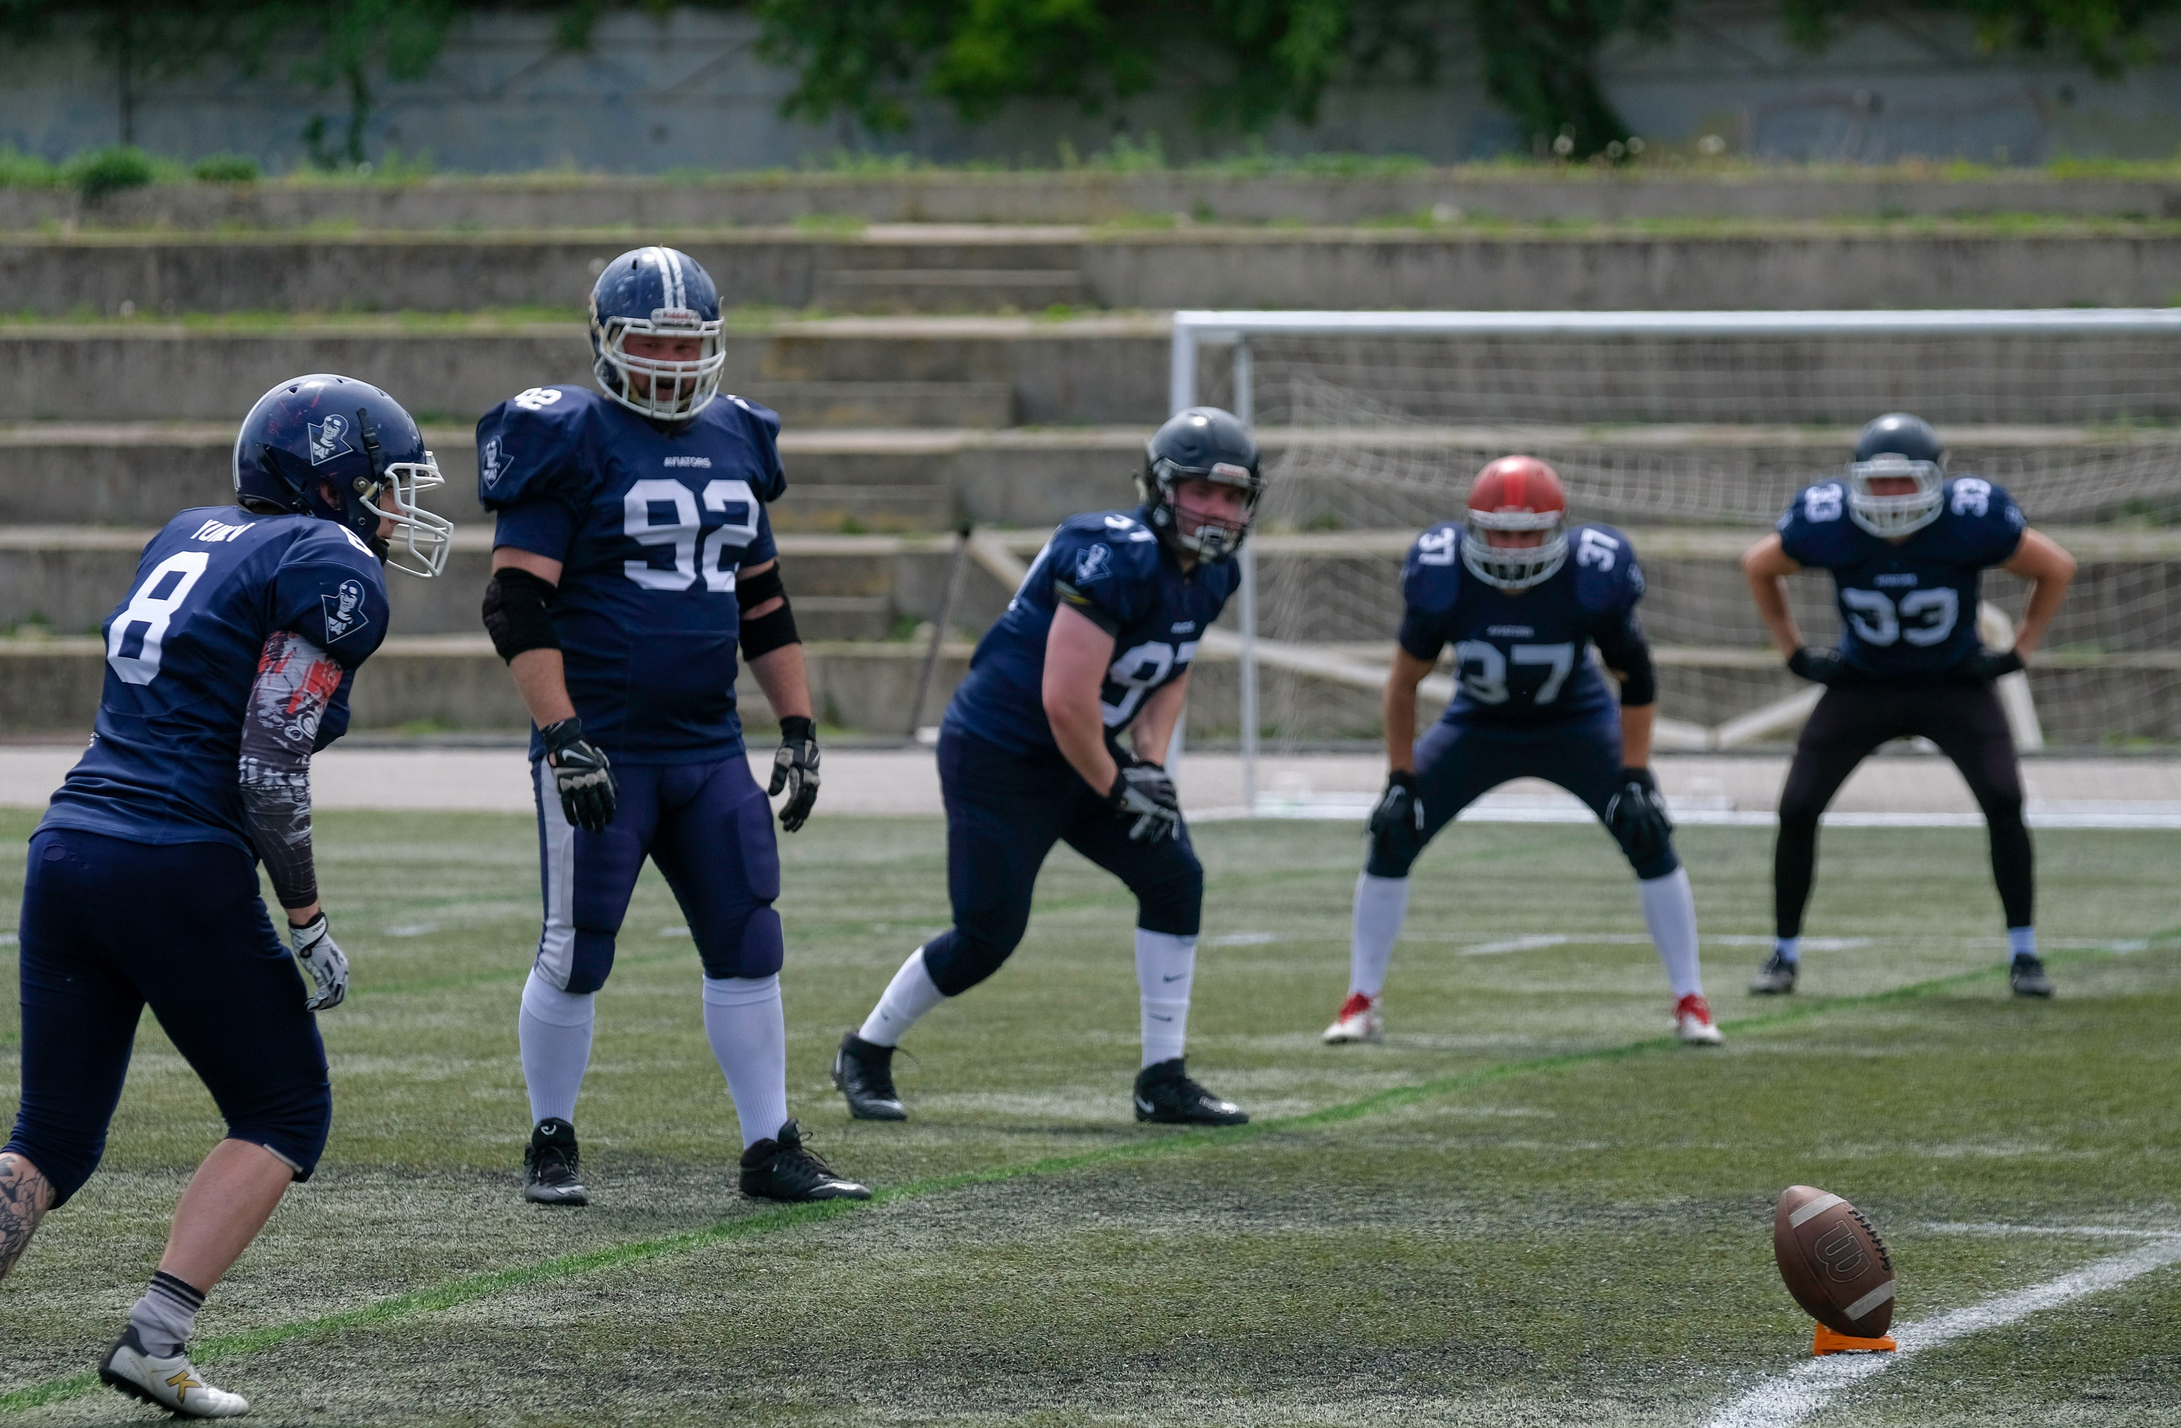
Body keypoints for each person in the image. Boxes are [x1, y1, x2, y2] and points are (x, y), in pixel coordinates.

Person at [0, 374, 450, 1424]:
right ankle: (155, 1340)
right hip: (175, 855)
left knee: (49, 1133)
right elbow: (270, 761)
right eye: (386, 485)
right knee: (284, 1108)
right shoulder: (327, 559)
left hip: (69, 844)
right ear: (331, 481)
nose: (397, 509)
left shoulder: (189, 533)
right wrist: (308, 918)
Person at [477, 245, 866, 1208]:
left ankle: (769, 1146)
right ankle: (551, 1136)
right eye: (648, 339)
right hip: (604, 742)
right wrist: (563, 734)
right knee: (580, 946)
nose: (667, 360)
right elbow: (515, 604)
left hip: (707, 745)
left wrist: (799, 722)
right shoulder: (565, 434)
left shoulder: (740, 434)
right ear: (605, 341)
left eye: (685, 342)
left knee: (749, 934)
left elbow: (764, 599)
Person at [830, 408, 1259, 1127]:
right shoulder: (1112, 551)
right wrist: (1119, 783)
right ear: (1161, 488)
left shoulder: (1217, 572)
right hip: (1003, 754)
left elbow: (1171, 669)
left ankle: (1163, 1076)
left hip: (1087, 750)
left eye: (1232, 496)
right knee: (988, 934)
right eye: (1201, 492)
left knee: (1175, 877)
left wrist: (1150, 762)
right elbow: (1063, 698)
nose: (1217, 511)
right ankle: (865, 1049)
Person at [1322, 455, 1724, 1048]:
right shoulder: (1444, 573)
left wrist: (1636, 773)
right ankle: (1361, 999)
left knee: (1647, 830)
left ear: (1558, 528)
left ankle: (1691, 998)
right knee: (1393, 831)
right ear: (1473, 528)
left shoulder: (1593, 573)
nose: (1512, 547)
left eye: (1527, 532)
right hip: (1478, 723)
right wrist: (1400, 778)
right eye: (1500, 532)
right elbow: (1403, 683)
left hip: (1575, 721)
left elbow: (1636, 678)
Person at [1741, 412, 2077, 999]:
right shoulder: (1829, 521)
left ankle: (2024, 951)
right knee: (1797, 807)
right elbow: (1759, 565)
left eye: (1904, 482)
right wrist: (1793, 652)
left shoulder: (1971, 518)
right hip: (1864, 682)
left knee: (2004, 798)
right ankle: (1783, 953)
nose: (1891, 497)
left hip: (1952, 682)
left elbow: (2055, 567)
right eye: (1879, 483)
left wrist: (2019, 651)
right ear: (1856, 482)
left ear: (1936, 481)